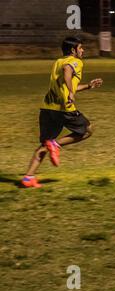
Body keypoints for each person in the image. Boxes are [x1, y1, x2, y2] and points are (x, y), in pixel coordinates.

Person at [21, 36, 103, 188]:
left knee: (45, 145)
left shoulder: (58, 62)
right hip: (63, 108)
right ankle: (56, 144)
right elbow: (68, 72)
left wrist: (88, 86)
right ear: (73, 50)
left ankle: (28, 177)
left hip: (47, 108)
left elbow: (66, 83)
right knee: (87, 130)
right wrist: (71, 93)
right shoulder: (76, 62)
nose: (83, 50)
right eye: (81, 48)